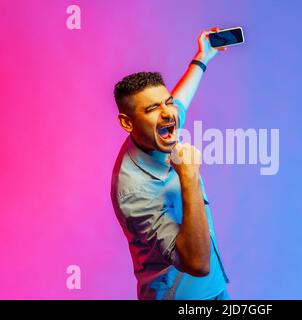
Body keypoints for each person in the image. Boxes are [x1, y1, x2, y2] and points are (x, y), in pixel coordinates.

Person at [110, 28, 230, 300]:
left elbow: (180, 100)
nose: (168, 113)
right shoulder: (134, 191)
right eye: (152, 109)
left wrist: (203, 57)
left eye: (166, 103)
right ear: (128, 123)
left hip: (215, 290)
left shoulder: (158, 130)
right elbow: (196, 264)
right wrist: (189, 176)